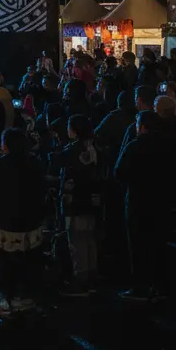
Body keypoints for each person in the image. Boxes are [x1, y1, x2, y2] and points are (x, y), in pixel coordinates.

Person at [0, 128, 46, 316]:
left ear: (5, 146)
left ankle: (6, 300)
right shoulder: (34, 162)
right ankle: (24, 297)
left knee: (5, 262)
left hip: (5, 221)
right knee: (27, 259)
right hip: (31, 219)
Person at [114, 110, 176, 301]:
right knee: (159, 244)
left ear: (142, 126)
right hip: (162, 202)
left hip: (138, 201)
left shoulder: (135, 146)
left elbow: (119, 172)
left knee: (138, 246)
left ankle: (140, 287)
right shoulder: (169, 146)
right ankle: (161, 286)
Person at [54, 114, 101, 295]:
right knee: (89, 239)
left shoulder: (72, 150)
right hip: (93, 199)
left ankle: (80, 280)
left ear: (73, 130)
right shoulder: (95, 147)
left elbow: (57, 161)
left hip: (74, 200)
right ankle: (91, 275)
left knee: (76, 240)